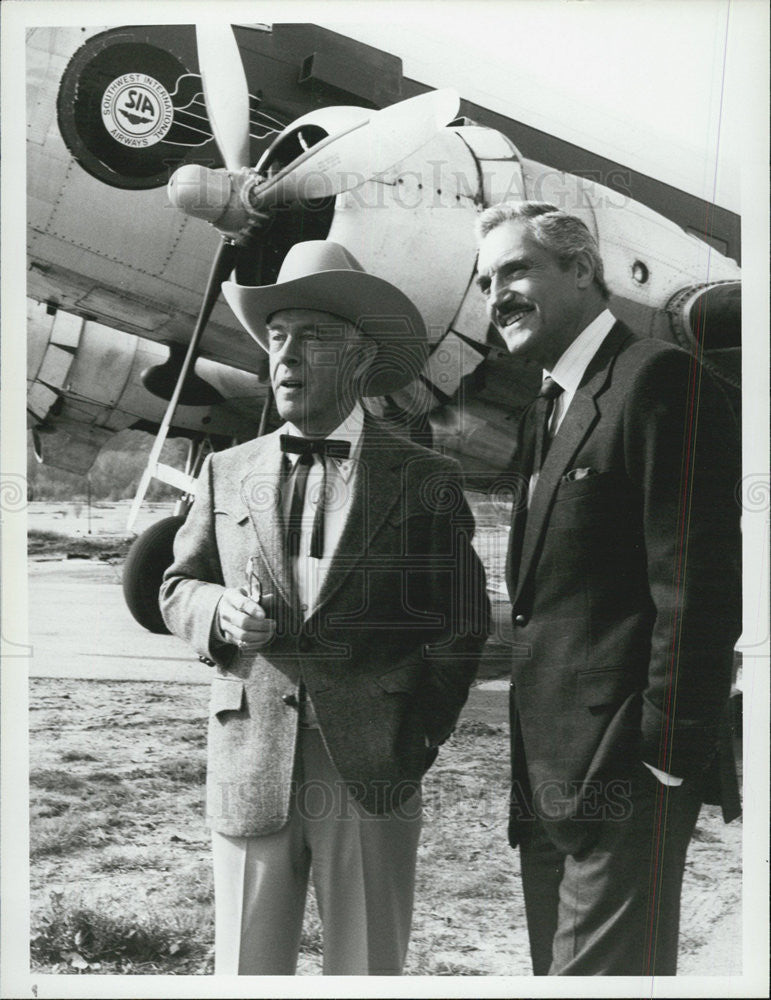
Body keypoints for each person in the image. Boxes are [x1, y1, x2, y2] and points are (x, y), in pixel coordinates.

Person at [160, 240, 490, 976]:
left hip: (372, 768)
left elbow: (463, 622)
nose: (286, 356)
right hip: (251, 762)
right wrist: (217, 616)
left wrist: (417, 732)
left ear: (361, 358)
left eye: (313, 337)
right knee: (246, 973)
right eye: (277, 337)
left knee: (367, 970)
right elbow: (176, 587)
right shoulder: (225, 471)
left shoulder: (423, 477)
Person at [475, 202, 741, 976]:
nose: (497, 296)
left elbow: (696, 586)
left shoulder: (658, 379)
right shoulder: (548, 405)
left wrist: (660, 757)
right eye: (486, 280)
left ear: (582, 269)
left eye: (516, 269)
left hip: (624, 776)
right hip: (547, 783)